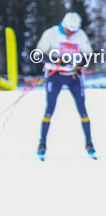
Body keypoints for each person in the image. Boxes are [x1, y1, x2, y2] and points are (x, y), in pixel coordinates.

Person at [33, 12, 94, 159]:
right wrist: (57, 61)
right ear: (64, 25)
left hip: (73, 77)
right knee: (50, 108)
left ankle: (89, 141)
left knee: (82, 109)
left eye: (74, 31)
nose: (72, 34)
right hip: (55, 76)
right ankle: (42, 142)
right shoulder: (50, 34)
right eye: (69, 30)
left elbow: (88, 55)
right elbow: (38, 54)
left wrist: (80, 65)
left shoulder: (81, 35)